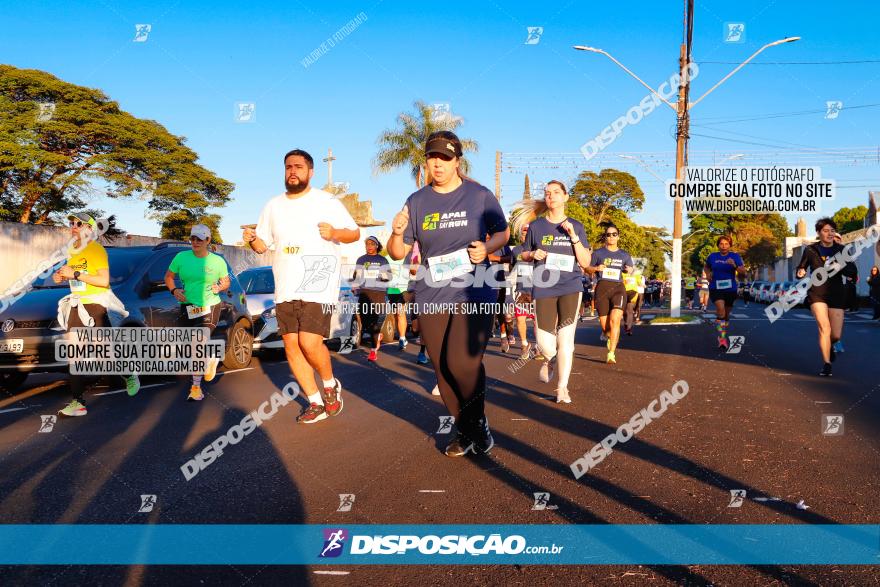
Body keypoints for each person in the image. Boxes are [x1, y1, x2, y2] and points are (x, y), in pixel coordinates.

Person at [387, 131, 509, 456]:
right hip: (431, 292)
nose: (437, 164)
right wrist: (396, 233)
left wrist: (488, 247)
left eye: (445, 158)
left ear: (457, 161)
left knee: (461, 362)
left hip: (475, 289)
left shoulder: (479, 195)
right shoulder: (416, 201)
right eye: (432, 157)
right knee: (442, 367)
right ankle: (466, 428)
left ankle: (475, 422)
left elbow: (503, 231)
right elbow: (398, 252)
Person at [243, 149, 360, 424]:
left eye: (298, 166)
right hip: (285, 286)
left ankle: (330, 384)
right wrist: (251, 239)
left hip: (317, 284)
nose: (292, 171)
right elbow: (262, 246)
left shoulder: (326, 201)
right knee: (291, 345)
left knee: (309, 342)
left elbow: (354, 232)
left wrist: (334, 233)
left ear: (310, 172)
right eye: (287, 167)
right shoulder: (273, 206)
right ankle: (315, 401)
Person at [513, 180, 591, 403]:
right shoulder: (537, 227)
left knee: (566, 339)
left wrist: (574, 236)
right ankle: (550, 358)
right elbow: (524, 254)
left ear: (566, 197)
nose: (551, 196)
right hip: (544, 287)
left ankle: (562, 388)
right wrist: (532, 255)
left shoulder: (577, 225)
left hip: (570, 287)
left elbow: (585, 262)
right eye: (547, 193)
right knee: (545, 343)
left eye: (556, 192)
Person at [55, 214, 139, 417]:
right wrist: (59, 276)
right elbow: (71, 276)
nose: (73, 227)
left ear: (90, 229)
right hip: (77, 306)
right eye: (71, 223)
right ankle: (78, 402)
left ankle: (128, 373)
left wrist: (74, 274)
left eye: (78, 223)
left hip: (95, 306)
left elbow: (103, 280)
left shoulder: (96, 250)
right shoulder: (73, 251)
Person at [164, 224, 230, 401]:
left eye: (200, 239)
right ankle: (209, 359)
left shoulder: (217, 261)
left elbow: (226, 282)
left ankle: (195, 387)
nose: (195, 242)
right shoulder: (181, 257)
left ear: (208, 240)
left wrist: (220, 286)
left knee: (197, 343)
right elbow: (168, 277)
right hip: (189, 306)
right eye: (193, 238)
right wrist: (174, 291)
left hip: (211, 305)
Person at [795, 218, 857, 377]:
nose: (830, 233)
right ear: (819, 233)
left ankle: (829, 345)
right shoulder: (810, 250)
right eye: (826, 231)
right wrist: (800, 272)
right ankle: (827, 364)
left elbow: (852, 271)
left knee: (835, 335)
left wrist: (841, 266)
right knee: (825, 328)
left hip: (836, 293)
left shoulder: (842, 250)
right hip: (817, 292)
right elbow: (801, 267)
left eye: (832, 231)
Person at [587, 224, 634, 364]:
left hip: (618, 289)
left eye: (614, 234)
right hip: (602, 289)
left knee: (615, 320)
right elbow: (587, 269)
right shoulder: (598, 253)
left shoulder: (624, 255)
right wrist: (595, 268)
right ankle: (608, 335)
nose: (611, 236)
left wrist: (629, 270)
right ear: (605, 237)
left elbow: (630, 269)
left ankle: (611, 353)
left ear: (618, 236)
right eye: (608, 234)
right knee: (605, 327)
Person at [352, 236, 391, 362]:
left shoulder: (383, 260)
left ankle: (373, 350)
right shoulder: (361, 259)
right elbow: (357, 276)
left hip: (378, 292)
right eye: (367, 244)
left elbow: (388, 277)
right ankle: (377, 335)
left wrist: (379, 274)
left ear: (377, 246)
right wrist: (355, 285)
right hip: (364, 292)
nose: (369, 246)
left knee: (374, 322)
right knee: (365, 321)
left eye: (372, 244)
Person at [704, 235, 747, 351]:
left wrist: (735, 265)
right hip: (715, 288)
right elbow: (706, 267)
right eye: (721, 244)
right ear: (718, 245)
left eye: (726, 244)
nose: (723, 246)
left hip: (730, 289)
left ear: (730, 245)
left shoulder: (735, 256)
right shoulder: (712, 256)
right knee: (720, 309)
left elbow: (743, 273)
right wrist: (708, 274)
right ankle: (722, 338)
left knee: (726, 315)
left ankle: (724, 322)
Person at [506, 223, 536, 359]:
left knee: (537, 321)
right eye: (522, 232)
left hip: (537, 290)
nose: (525, 234)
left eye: (527, 231)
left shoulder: (539, 248)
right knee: (520, 319)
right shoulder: (516, 250)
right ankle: (524, 345)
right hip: (522, 290)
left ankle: (539, 346)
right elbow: (513, 269)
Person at [385, 244, 411, 351]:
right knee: (396, 314)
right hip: (391, 290)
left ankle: (402, 338)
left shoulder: (407, 256)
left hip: (403, 289)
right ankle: (401, 334)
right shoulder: (386, 258)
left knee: (400, 313)